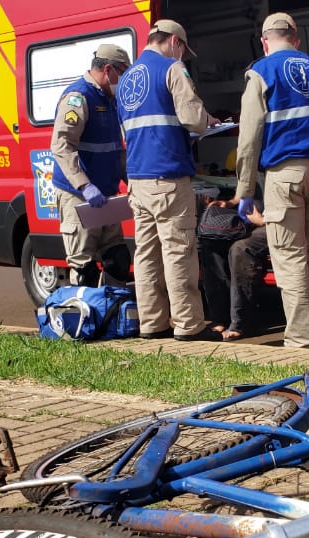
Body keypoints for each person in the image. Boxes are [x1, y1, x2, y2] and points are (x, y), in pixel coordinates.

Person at [235, 12, 309, 348]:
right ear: (296, 38)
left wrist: (245, 190)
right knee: (307, 257)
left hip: (284, 174)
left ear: (265, 41)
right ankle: (307, 331)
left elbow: (249, 138)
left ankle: (299, 341)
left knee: (289, 258)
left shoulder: (262, 71)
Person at [118, 19, 222, 341]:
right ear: (175, 42)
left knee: (146, 254)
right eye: (183, 51)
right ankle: (189, 327)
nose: (183, 57)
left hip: (138, 179)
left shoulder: (125, 79)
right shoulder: (172, 69)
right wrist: (209, 122)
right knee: (179, 250)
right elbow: (192, 118)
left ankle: (152, 324)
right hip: (168, 177)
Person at [49, 44, 133, 287]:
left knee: (118, 260)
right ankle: (84, 323)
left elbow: (116, 151)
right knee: (85, 271)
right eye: (122, 74)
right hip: (79, 197)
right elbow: (61, 145)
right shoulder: (78, 97)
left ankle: (112, 319)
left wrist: (133, 181)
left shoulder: (110, 99)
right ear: (108, 70)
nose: (124, 82)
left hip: (106, 196)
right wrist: (84, 185)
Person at [197, 199, 271, 341]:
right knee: (211, 238)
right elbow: (246, 187)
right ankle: (219, 318)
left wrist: (263, 220)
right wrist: (231, 202)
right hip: (247, 216)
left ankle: (240, 322)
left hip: (273, 222)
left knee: (240, 249)